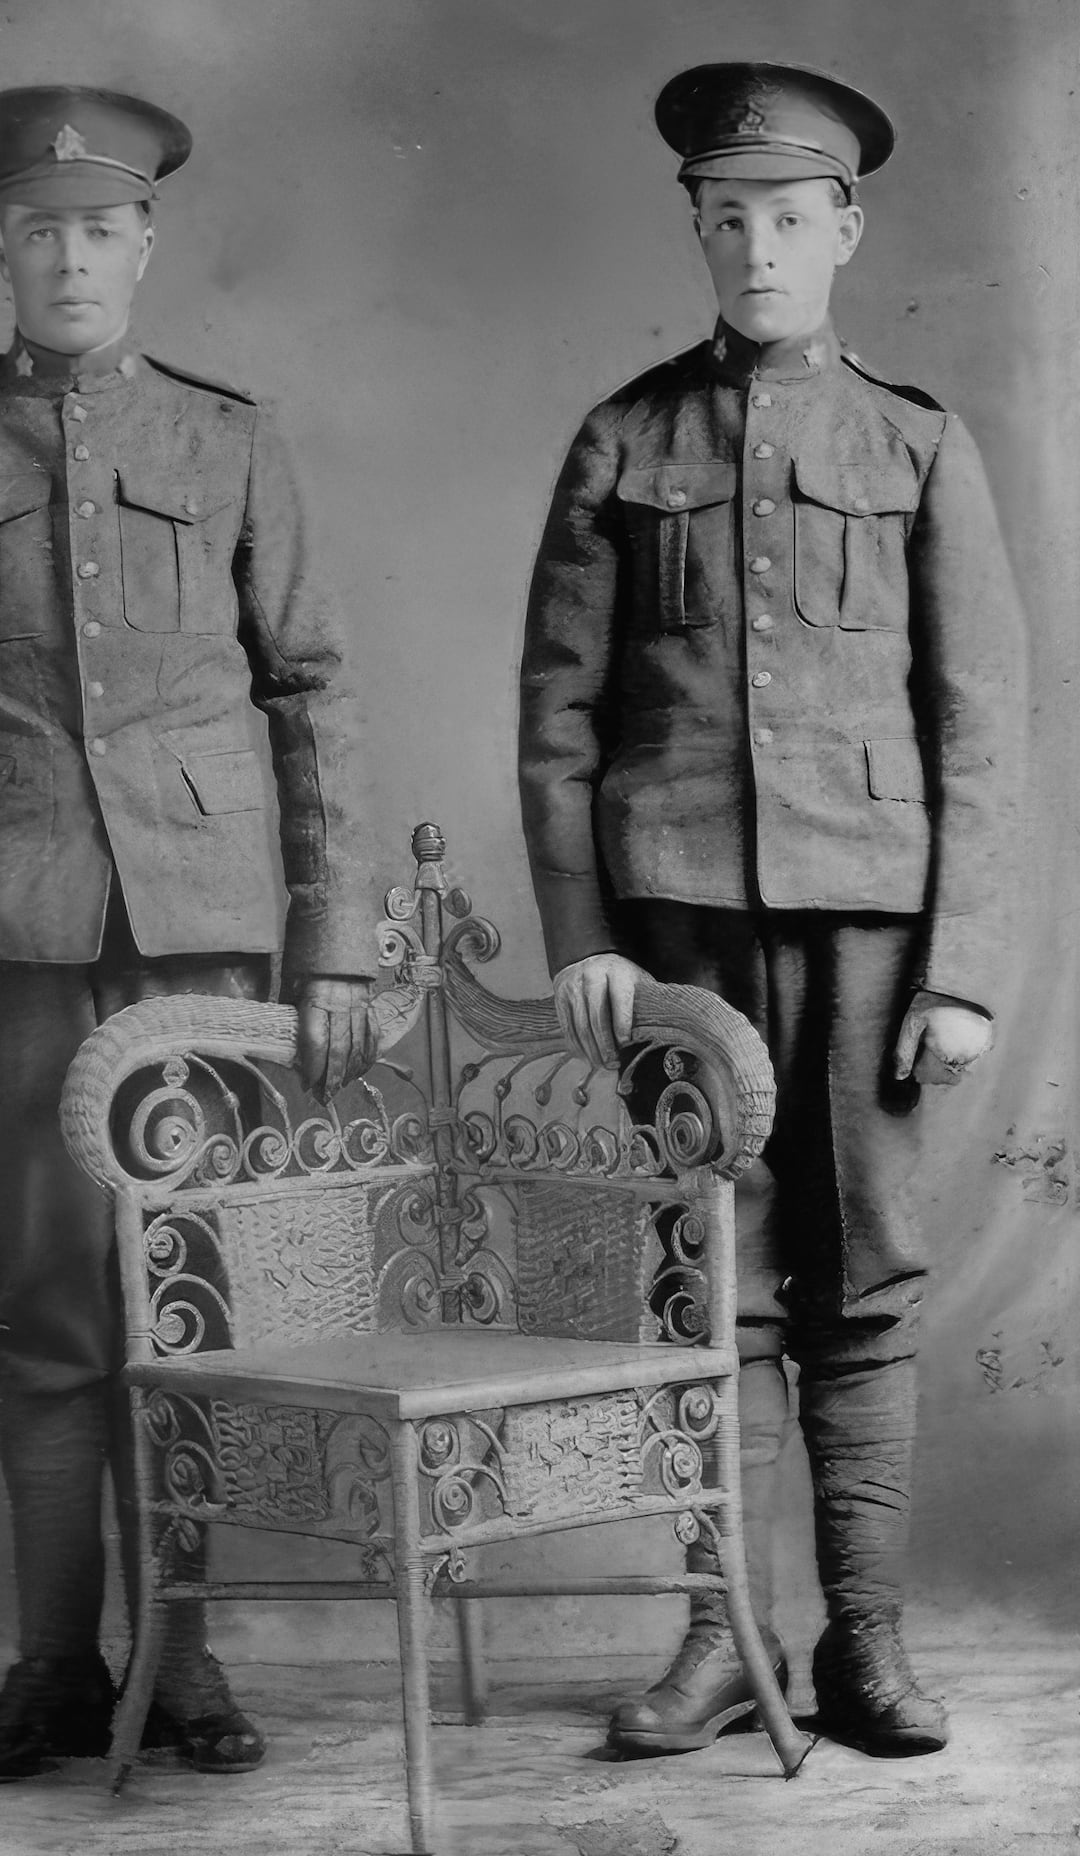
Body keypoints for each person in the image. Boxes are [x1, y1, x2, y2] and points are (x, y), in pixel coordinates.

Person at [0, 85, 377, 1784]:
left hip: (202, 949)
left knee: (189, 1301)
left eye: (99, 228)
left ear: (146, 245)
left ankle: (183, 1669)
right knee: (49, 1310)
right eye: (38, 228)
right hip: (0, 943)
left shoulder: (228, 437)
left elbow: (314, 696)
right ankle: (55, 1668)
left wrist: (332, 944)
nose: (70, 256)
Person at [517, 61, 1026, 1757]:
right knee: (704, 1281)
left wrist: (961, 970)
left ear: (847, 229)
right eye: (727, 218)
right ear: (698, 229)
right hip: (674, 936)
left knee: (858, 1284)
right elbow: (562, 713)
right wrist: (586, 933)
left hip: (873, 933)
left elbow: (981, 725)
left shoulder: (916, 442)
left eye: (789, 218)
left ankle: (864, 1646)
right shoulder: (625, 436)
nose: (757, 246)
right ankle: (720, 1638)